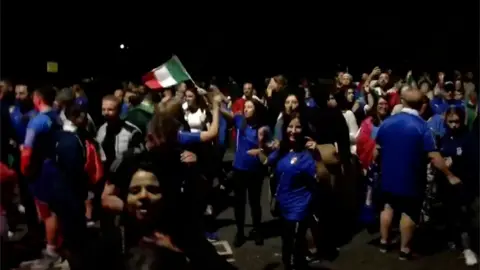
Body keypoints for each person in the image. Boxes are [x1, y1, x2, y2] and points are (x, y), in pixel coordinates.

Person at [375, 87, 461, 260]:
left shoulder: (387, 122)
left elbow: (377, 151)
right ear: (421, 105)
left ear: (402, 101)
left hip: (388, 175)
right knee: (409, 211)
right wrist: (449, 175)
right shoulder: (422, 126)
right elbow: (434, 155)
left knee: (388, 207)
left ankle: (384, 242)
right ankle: (404, 250)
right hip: (411, 177)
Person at [250, 111, 319, 270]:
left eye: (298, 127)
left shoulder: (307, 153)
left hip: (299, 209)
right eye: (290, 126)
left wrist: (318, 153)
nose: (293, 131)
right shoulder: (283, 149)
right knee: (286, 247)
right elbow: (267, 162)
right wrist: (261, 145)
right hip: (284, 207)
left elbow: (319, 177)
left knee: (295, 249)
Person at [220, 98, 269, 247]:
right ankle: (240, 232)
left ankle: (257, 230)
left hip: (256, 171)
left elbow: (270, 148)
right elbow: (225, 112)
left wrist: (261, 149)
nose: (245, 109)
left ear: (257, 110)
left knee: (255, 203)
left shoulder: (264, 128)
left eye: (249, 107)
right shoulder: (240, 121)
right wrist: (214, 101)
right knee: (239, 203)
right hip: (239, 170)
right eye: (245, 107)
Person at [438, 108, 478, 266]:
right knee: (450, 214)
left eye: (457, 121)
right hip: (446, 185)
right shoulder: (444, 138)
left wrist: (455, 160)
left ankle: (468, 249)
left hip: (465, 184)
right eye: (450, 122)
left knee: (465, 217)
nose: (454, 125)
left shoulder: (469, 139)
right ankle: (453, 240)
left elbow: (474, 162)